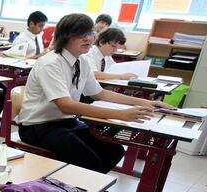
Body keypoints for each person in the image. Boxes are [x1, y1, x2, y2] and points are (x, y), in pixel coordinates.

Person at [16, 13, 174, 174]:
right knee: (87, 159)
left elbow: (99, 93)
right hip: (38, 126)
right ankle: (79, 190)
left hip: (65, 123)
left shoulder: (82, 61)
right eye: (80, 34)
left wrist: (143, 102)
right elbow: (66, 105)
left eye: (90, 33)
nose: (88, 39)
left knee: (114, 151)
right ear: (64, 36)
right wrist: (121, 115)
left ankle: (84, 187)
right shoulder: (50, 63)